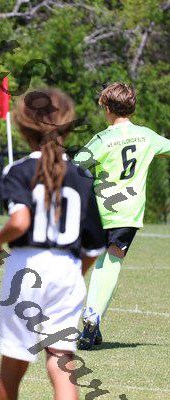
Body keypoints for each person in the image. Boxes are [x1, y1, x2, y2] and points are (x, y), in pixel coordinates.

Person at [0, 88, 106, 400]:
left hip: (27, 269)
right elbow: (94, 246)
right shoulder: (82, 175)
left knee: (13, 366)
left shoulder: (19, 170)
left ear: (23, 128)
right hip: (67, 271)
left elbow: (20, 222)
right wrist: (74, 274)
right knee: (62, 362)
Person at [74, 82, 170, 350]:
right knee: (113, 261)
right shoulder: (147, 136)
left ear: (107, 107)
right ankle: (93, 315)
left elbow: (76, 166)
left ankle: (92, 324)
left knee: (97, 260)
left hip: (100, 209)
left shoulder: (102, 139)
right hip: (128, 211)